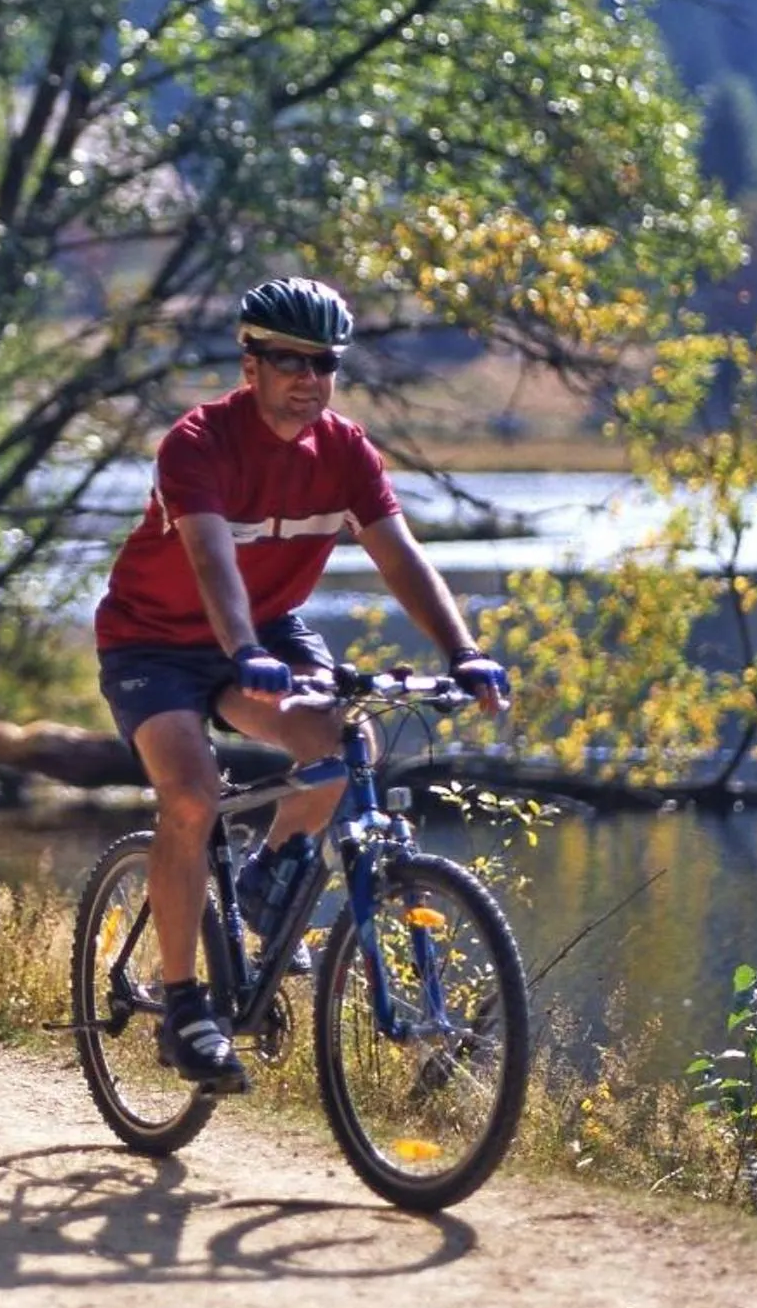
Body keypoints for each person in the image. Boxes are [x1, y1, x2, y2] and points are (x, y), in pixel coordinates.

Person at [93, 276, 509, 1093]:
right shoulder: (197, 443)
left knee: (338, 741)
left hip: (264, 631)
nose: (306, 380)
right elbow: (212, 560)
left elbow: (400, 557)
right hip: (156, 641)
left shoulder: (346, 452)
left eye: (322, 363)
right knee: (188, 795)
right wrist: (241, 645)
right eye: (287, 360)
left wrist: (463, 651)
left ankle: (265, 875)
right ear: (249, 364)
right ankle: (184, 1008)